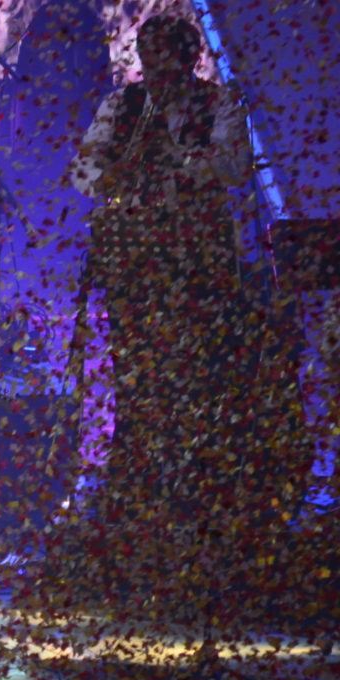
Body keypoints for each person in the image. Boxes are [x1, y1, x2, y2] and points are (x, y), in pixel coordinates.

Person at [67, 12, 252, 531]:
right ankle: (137, 485)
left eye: (163, 57)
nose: (153, 68)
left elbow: (232, 165)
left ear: (191, 58)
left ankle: (199, 490)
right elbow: (82, 171)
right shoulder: (121, 103)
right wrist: (115, 173)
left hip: (195, 260)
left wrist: (172, 164)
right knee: (136, 374)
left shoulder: (219, 101)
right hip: (132, 257)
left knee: (196, 376)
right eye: (146, 57)